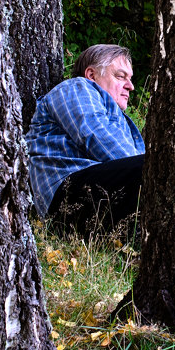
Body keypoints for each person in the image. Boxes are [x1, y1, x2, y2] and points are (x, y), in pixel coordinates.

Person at [25, 44, 145, 238]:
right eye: (121, 76)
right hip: (64, 198)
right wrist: (154, 174)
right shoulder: (77, 87)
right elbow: (96, 135)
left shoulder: (120, 118)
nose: (130, 86)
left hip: (96, 196)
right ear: (91, 74)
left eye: (130, 79)